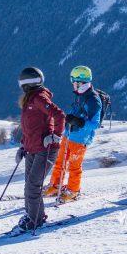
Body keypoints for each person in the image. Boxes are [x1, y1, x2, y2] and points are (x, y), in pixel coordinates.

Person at [15, 67, 66, 231]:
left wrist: (56, 135)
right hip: (32, 149)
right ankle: (32, 216)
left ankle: (36, 220)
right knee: (28, 186)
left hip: (45, 149)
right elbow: (30, 127)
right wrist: (23, 145)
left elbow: (60, 115)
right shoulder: (30, 100)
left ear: (26, 84)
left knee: (33, 186)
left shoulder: (38, 98)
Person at [43, 66, 102, 202]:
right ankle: (55, 185)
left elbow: (95, 124)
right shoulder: (81, 94)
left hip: (80, 139)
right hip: (68, 134)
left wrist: (79, 122)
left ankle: (73, 191)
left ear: (80, 82)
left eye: (73, 81)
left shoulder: (93, 100)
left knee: (74, 166)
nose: (72, 84)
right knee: (60, 161)